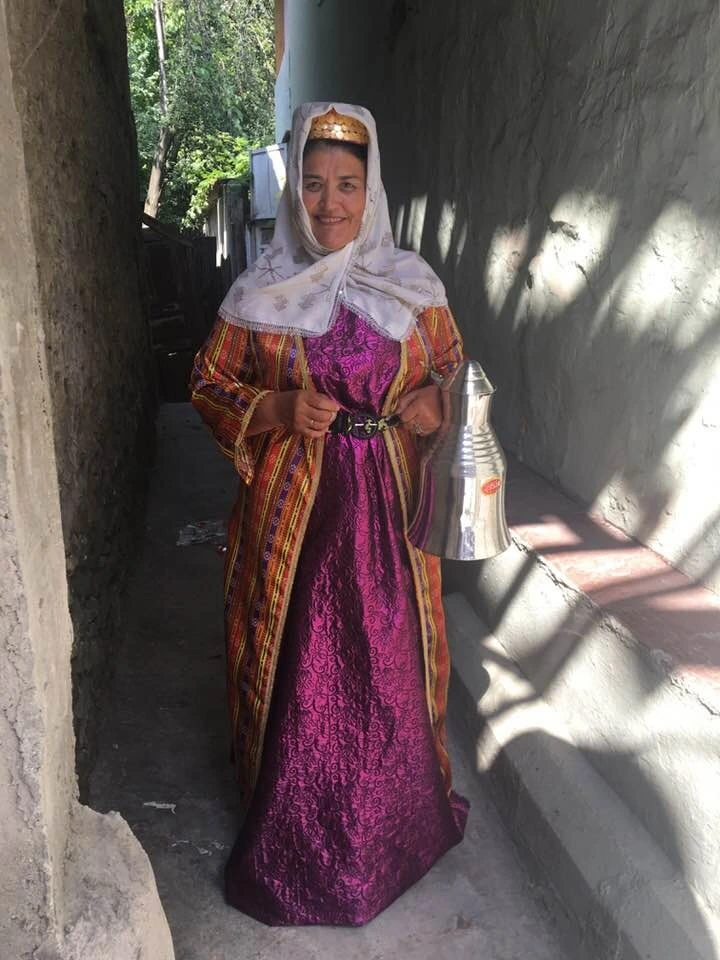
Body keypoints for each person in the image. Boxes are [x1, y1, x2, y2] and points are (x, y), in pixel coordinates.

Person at [191, 101, 468, 927]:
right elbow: (208, 381)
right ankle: (295, 844)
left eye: (347, 184)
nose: (330, 202)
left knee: (387, 661)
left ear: (370, 189)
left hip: (389, 510)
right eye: (313, 184)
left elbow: (455, 372)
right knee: (303, 668)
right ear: (295, 193)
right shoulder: (261, 291)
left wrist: (433, 402)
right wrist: (274, 408)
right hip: (296, 517)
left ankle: (396, 833)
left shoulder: (412, 286)